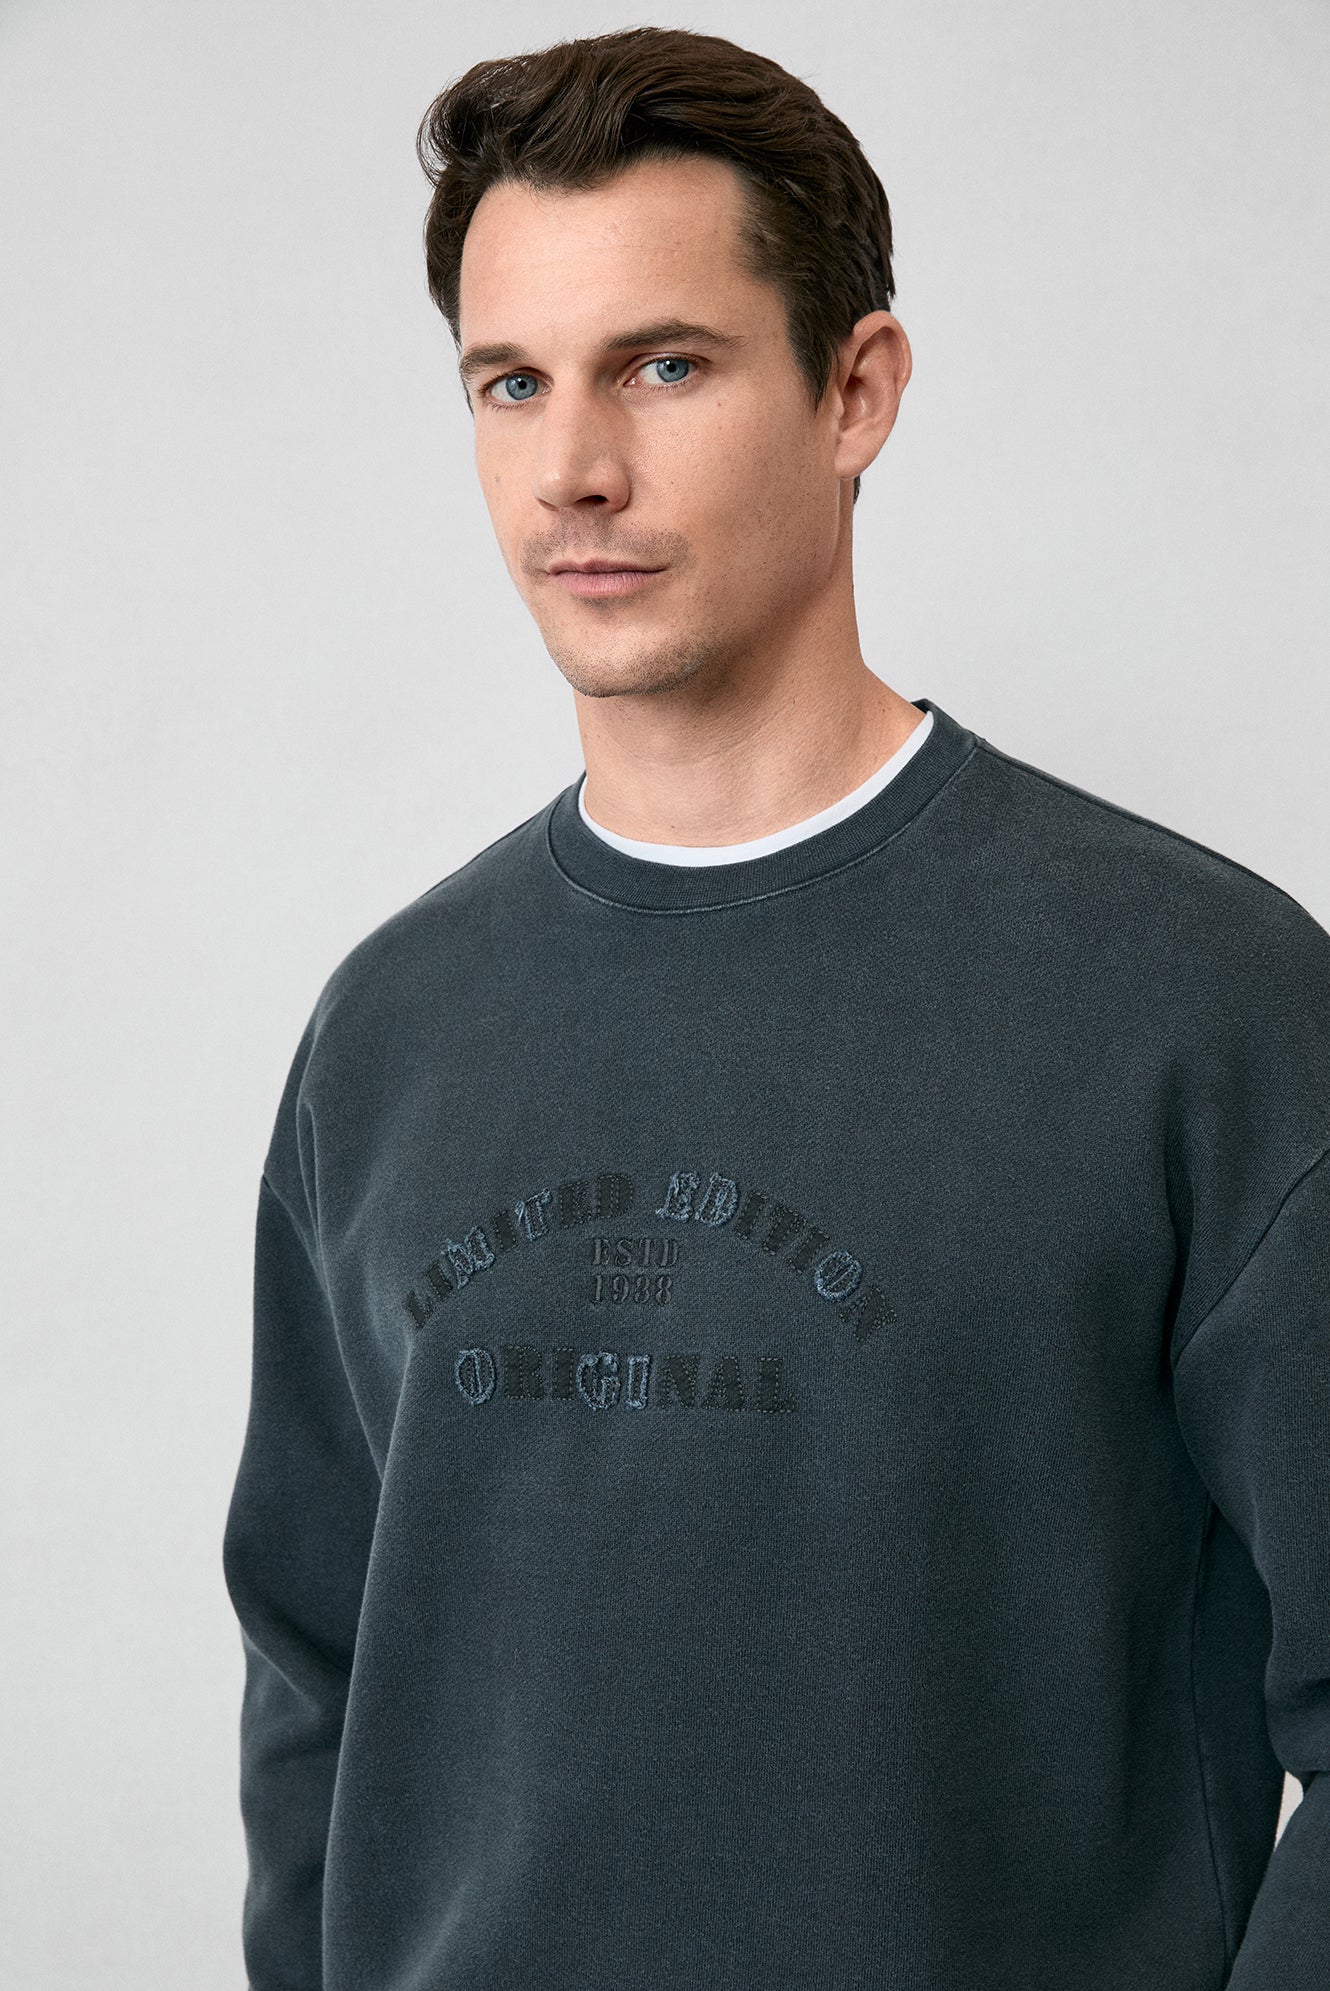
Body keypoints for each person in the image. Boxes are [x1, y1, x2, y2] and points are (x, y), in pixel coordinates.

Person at [221, 25, 1329, 1990]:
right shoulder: (390, 1026)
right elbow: (317, 1683)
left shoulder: (1201, 1003)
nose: (574, 467)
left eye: (664, 365)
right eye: (510, 381)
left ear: (853, 390)